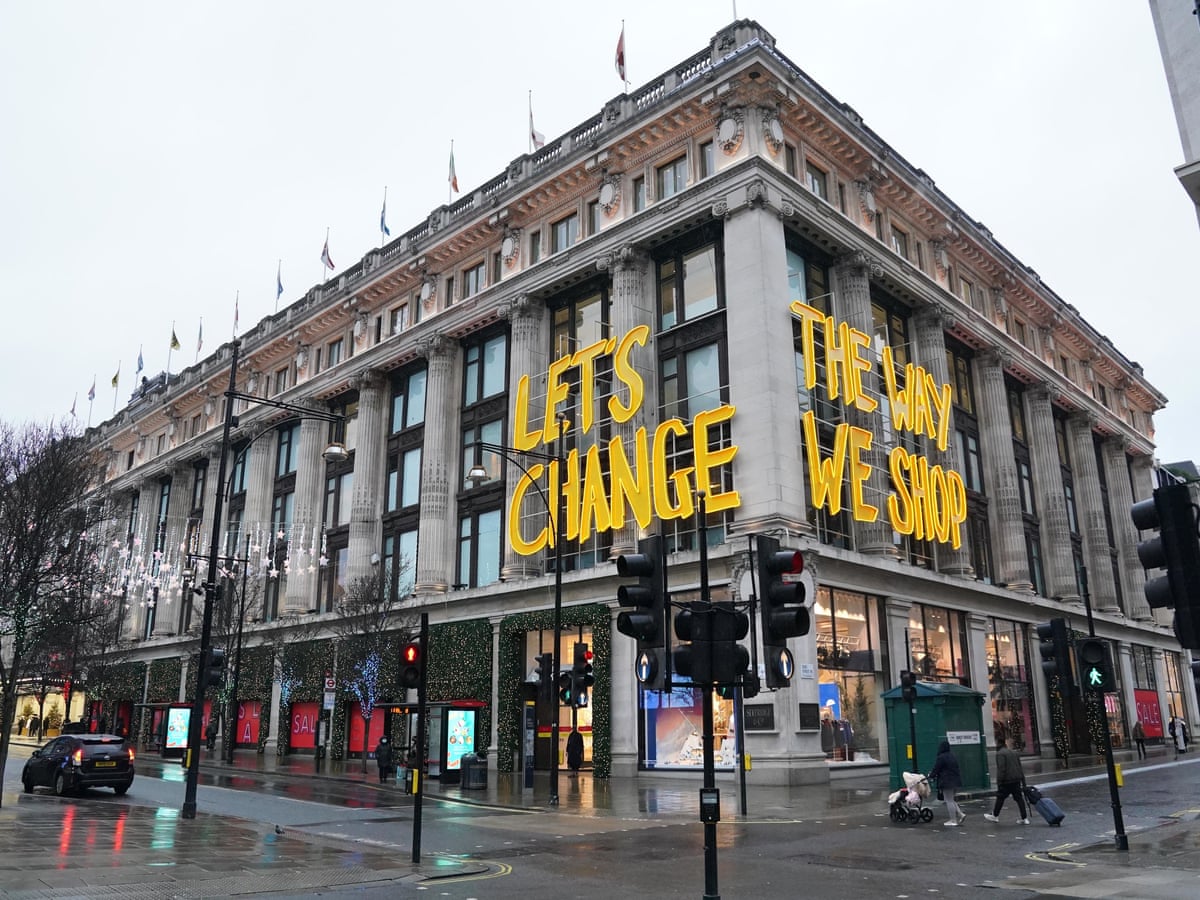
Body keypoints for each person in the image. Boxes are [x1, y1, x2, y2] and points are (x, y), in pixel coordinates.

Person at [983, 737, 1029, 824]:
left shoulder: (1000, 754)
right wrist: (1023, 782)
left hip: (1007, 780)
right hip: (1016, 779)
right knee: (1019, 799)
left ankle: (995, 816)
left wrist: (999, 782)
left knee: (1000, 797)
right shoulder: (1014, 753)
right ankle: (1024, 818)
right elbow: (1020, 767)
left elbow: (1001, 769)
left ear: (998, 743)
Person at [929, 738, 965, 826]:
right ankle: (960, 814)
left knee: (948, 801)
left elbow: (936, 769)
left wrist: (931, 776)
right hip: (955, 781)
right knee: (951, 800)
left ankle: (953, 820)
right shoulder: (952, 756)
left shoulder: (941, 757)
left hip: (947, 782)